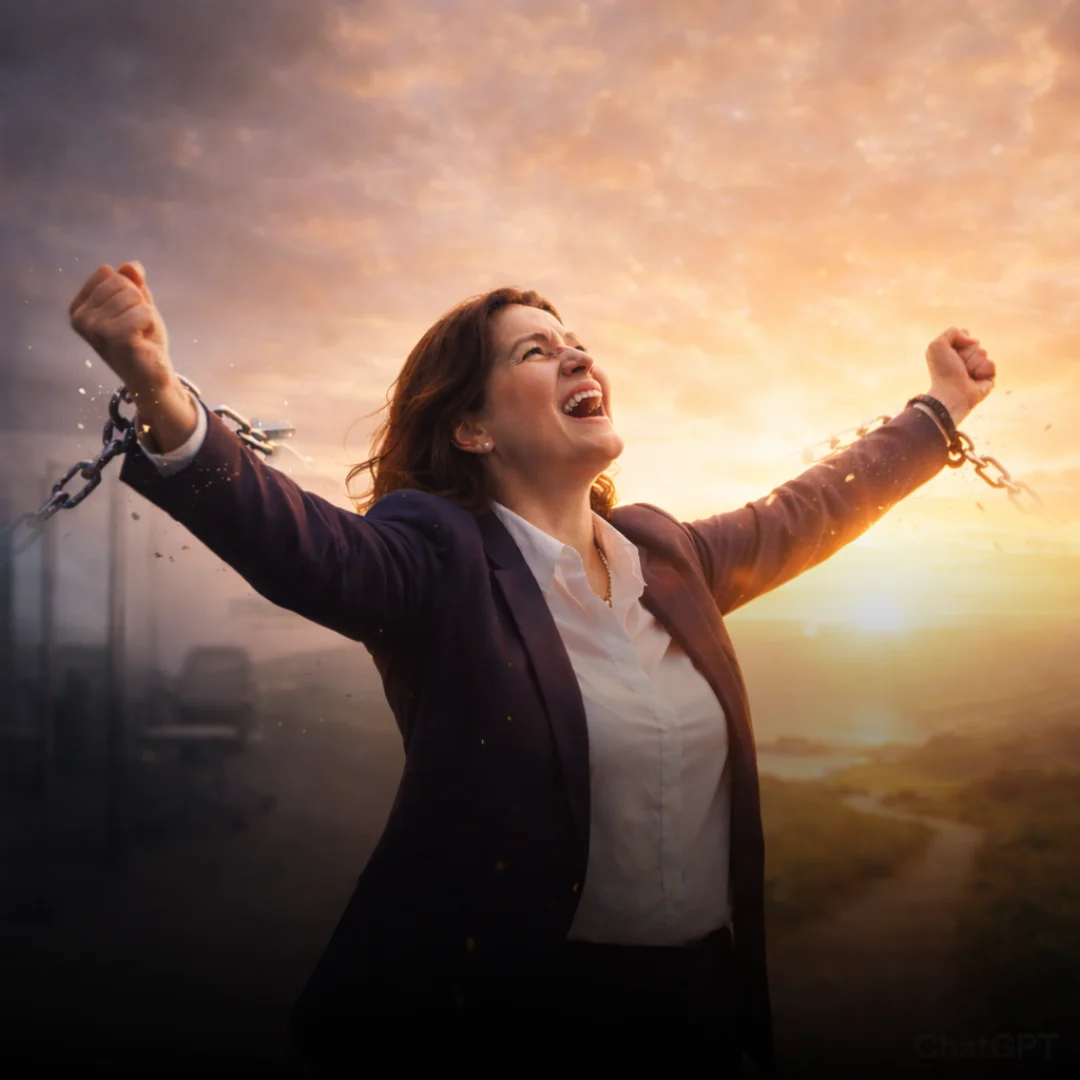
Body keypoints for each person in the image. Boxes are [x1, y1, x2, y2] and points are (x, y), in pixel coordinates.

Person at [67, 260, 996, 1071]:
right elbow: (305, 544)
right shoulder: (435, 556)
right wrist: (162, 394)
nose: (579, 357)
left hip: (699, 1010)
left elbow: (805, 510)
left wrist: (938, 409)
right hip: (516, 1022)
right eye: (536, 352)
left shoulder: (665, 555)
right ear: (472, 429)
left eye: (576, 343)